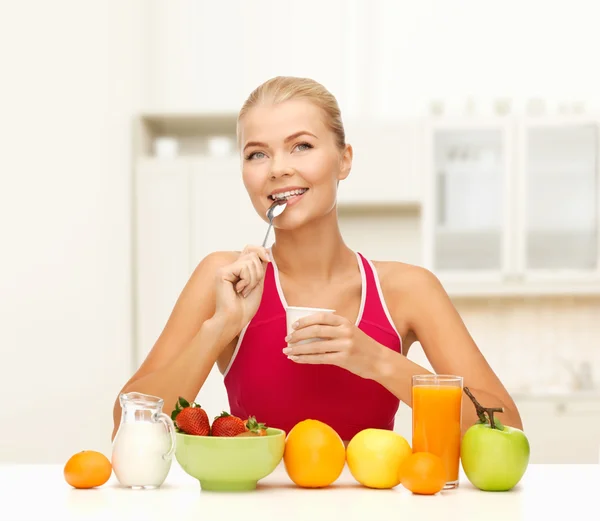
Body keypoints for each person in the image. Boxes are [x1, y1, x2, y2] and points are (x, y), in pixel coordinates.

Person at [112, 76, 523, 442]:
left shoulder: (409, 289)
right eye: (257, 154)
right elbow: (126, 427)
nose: (278, 169)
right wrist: (220, 328)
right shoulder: (222, 281)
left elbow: (507, 428)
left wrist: (379, 360)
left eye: (301, 146)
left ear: (343, 160)